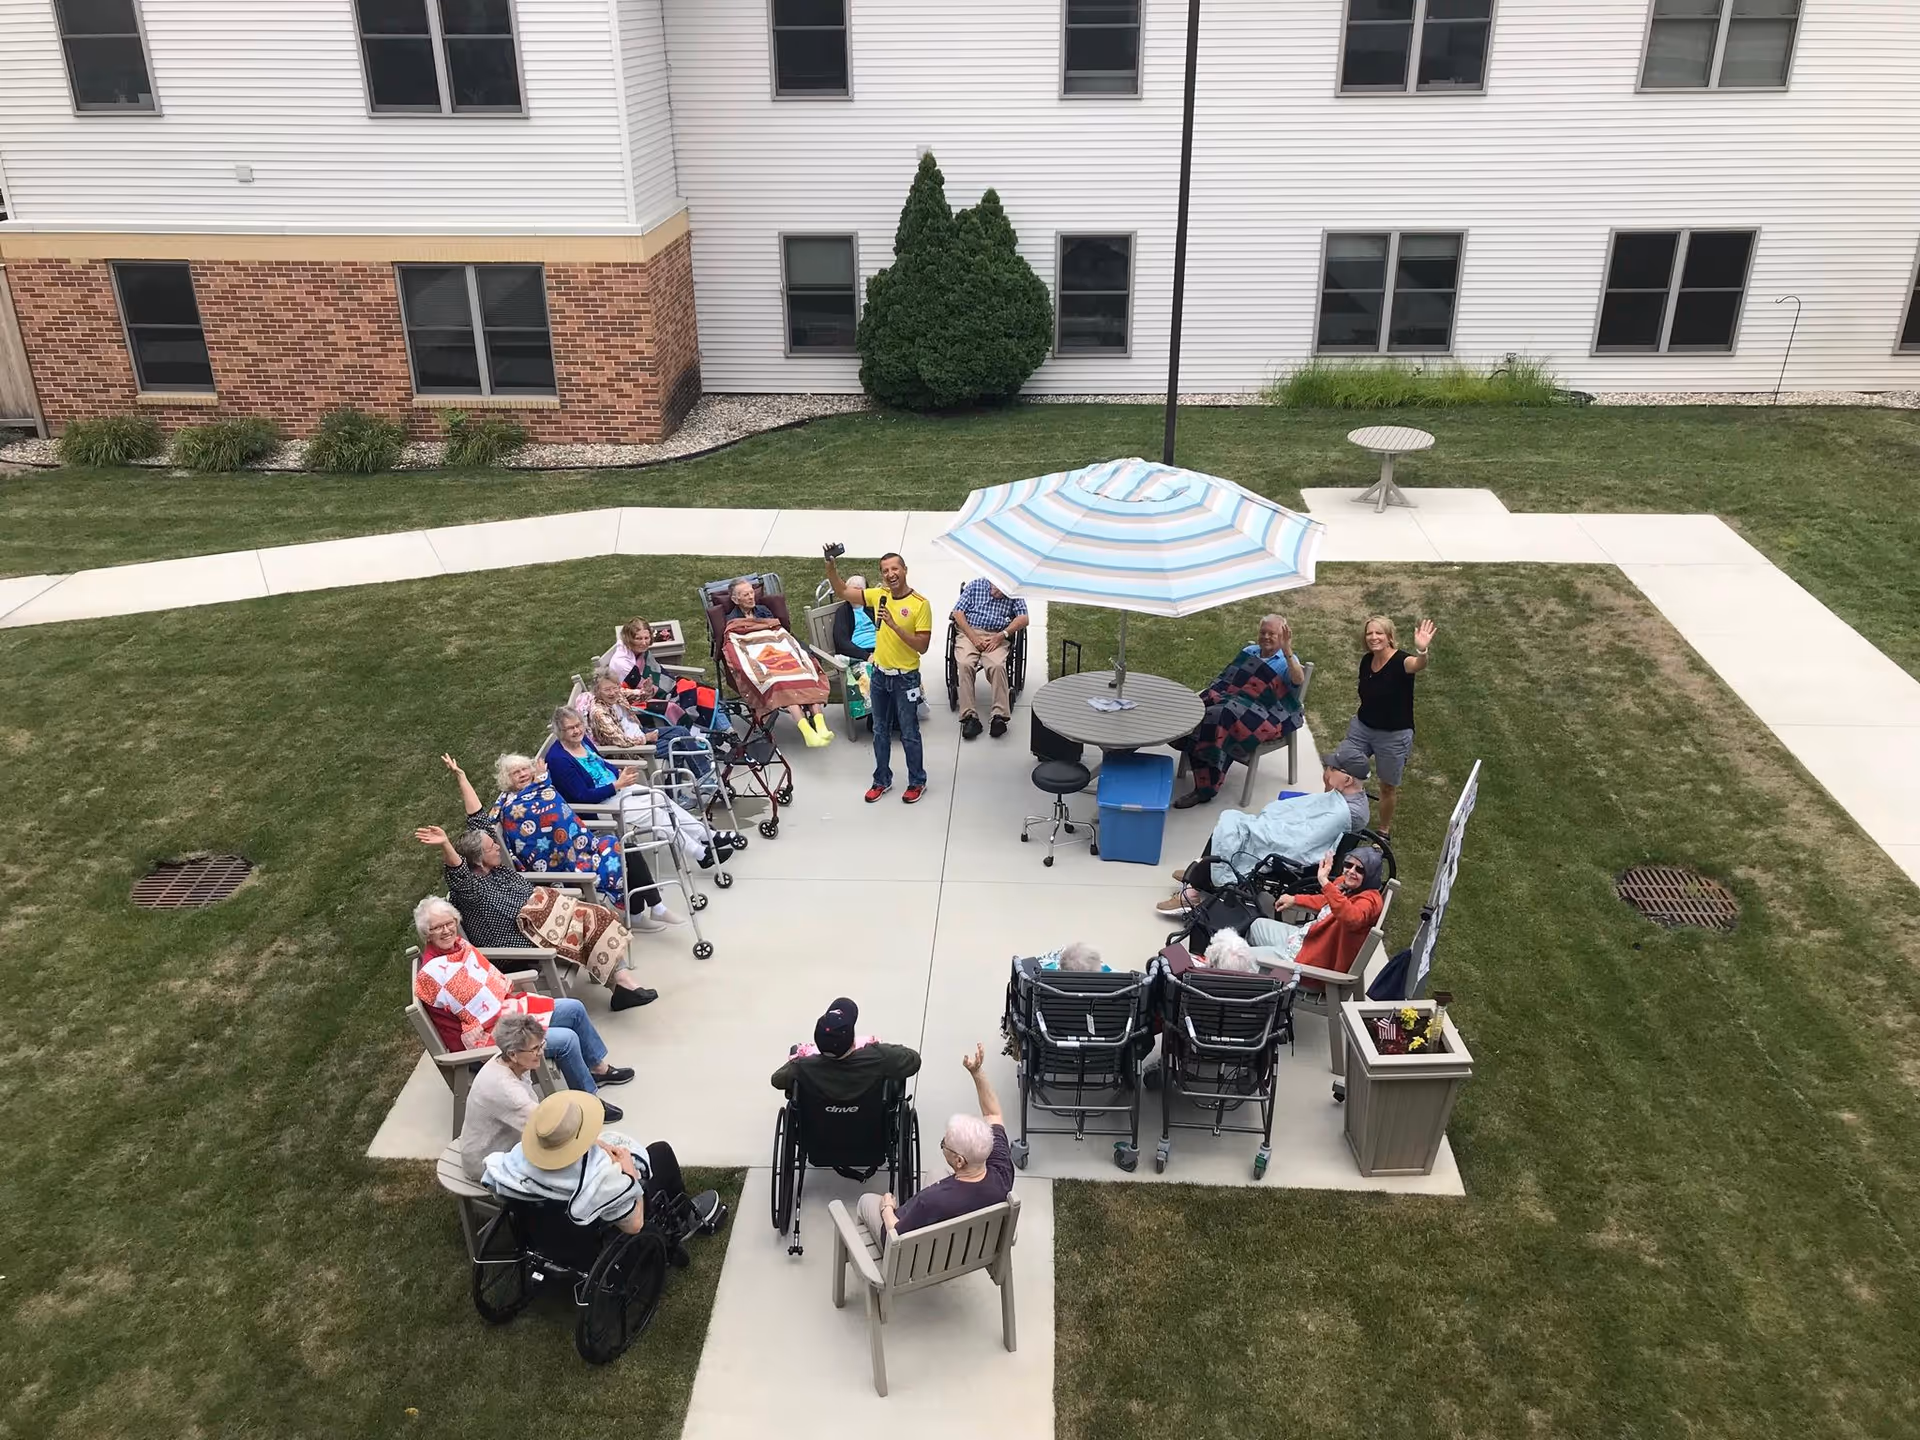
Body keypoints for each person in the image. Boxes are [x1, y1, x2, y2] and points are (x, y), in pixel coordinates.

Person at [411, 898, 636, 1123]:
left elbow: (489, 986)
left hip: (505, 1017)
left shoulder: (460, 947)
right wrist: (517, 1015)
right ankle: (589, 1102)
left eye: (449, 923)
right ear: (426, 933)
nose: (446, 930)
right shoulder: (433, 974)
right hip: (484, 1042)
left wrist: (512, 1007)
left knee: (573, 1008)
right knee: (566, 1040)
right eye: (437, 927)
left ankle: (598, 1070)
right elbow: (479, 1012)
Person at [414, 823, 658, 1006]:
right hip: (518, 943)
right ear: (477, 860)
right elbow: (458, 873)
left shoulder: (496, 871)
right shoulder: (472, 890)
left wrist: (461, 777)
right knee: (588, 920)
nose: (498, 847)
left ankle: (623, 984)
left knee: (592, 915)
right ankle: (623, 986)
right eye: (492, 847)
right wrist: (446, 844)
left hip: (540, 927)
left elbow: (479, 822)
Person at [439, 751, 682, 930]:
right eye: (516, 772)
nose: (523, 774)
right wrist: (461, 777)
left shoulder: (541, 785)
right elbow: (486, 822)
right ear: (507, 779)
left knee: (624, 847)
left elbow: (556, 807)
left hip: (582, 848)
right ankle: (644, 911)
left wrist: (543, 779)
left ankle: (647, 910)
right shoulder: (508, 805)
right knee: (619, 854)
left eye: (525, 769)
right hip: (561, 865)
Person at [482, 1089, 726, 1241]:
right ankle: (684, 1218)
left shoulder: (515, 1162)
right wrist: (630, 1173)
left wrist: (593, 1143)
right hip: (599, 1231)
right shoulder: (600, 1178)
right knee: (660, 1152)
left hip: (548, 1231)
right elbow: (634, 1224)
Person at [1152, 753, 1369, 918]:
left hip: (1296, 855)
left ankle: (1194, 889)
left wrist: (1268, 827)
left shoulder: (1342, 811)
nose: (1327, 772)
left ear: (1347, 779)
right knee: (1234, 823)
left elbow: (1303, 841)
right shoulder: (1350, 799)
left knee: (1232, 826)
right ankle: (1203, 873)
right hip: (1297, 833)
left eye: (1332, 769)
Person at [544, 707, 736, 874]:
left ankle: (707, 836)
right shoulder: (559, 760)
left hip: (617, 789)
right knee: (655, 815)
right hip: (600, 806)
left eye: (578, 725)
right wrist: (617, 785)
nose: (577, 730)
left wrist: (619, 773)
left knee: (661, 799)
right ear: (560, 731)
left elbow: (601, 764)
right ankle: (701, 854)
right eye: (571, 728)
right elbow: (583, 797)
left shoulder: (583, 741)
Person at [858, 1044, 1013, 1240]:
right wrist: (976, 1072)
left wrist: (887, 1207)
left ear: (959, 1161)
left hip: (923, 1259)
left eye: (944, 1144)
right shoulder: (1002, 1172)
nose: (942, 1145)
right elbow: (993, 1114)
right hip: (974, 1245)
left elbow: (894, 1233)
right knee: (935, 1174)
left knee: (867, 1201)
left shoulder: (930, 1202)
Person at [824, 548, 933, 804]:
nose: (890, 574)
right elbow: (842, 591)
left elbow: (922, 646)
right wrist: (831, 566)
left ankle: (917, 781)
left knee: (909, 733)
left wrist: (894, 626)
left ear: (904, 570)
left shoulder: (920, 604)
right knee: (880, 732)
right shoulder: (879, 595)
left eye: (895, 569)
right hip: (880, 677)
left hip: (906, 679)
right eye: (885, 571)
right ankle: (881, 780)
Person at [1172, 614, 1309, 810]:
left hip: (1263, 713)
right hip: (1231, 700)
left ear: (1283, 637)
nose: (1267, 637)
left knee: (1219, 716)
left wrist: (1288, 652)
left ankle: (1205, 788)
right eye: (1263, 632)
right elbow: (1228, 681)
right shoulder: (1249, 651)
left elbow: (1298, 681)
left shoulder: (1287, 660)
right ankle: (1191, 745)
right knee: (1197, 706)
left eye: (1273, 634)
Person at [1344, 615, 1436, 836]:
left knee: (1387, 786)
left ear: (1389, 637)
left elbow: (1417, 664)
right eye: (1369, 633)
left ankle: (1383, 831)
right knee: (1341, 770)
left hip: (1393, 735)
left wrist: (1422, 651)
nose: (1373, 637)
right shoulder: (1367, 660)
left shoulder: (1401, 662)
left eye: (1379, 633)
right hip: (1363, 727)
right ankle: (1339, 817)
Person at [721, 578, 833, 746]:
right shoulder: (732, 621)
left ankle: (820, 725)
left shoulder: (764, 611)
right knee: (779, 682)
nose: (751, 597)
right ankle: (807, 731)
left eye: (752, 592)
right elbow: (736, 646)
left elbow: (779, 633)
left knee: (806, 674)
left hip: (780, 654)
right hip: (761, 661)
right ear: (735, 599)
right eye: (746, 595)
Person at [1246, 848, 1387, 981]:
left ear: (1370, 875)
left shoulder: (1370, 901)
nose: (1351, 871)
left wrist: (1325, 882)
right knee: (1256, 926)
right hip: (1307, 940)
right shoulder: (1346, 885)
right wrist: (1295, 899)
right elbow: (1327, 901)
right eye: (1348, 865)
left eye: (1360, 869)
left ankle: (1257, 983)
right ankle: (1257, 976)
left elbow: (1350, 917)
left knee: (1238, 957)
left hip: (1311, 962)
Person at [582, 670, 714, 789]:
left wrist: (646, 690)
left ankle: (704, 776)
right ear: (597, 691)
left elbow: (638, 695)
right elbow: (620, 741)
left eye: (615, 687)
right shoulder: (599, 713)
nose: (612, 692)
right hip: (632, 749)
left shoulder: (617, 694)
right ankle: (677, 793)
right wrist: (646, 738)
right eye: (607, 690)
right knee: (676, 747)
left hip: (640, 732)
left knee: (681, 731)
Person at [771, 997, 922, 1098]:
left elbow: (777, 1080)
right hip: (871, 1135)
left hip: (818, 1138)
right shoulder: (879, 1057)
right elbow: (913, 1060)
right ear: (852, 1040)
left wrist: (802, 1056)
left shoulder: (803, 1066)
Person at [611, 618, 730, 734]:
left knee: (702, 691)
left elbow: (655, 671)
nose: (644, 642)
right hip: (642, 699)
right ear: (629, 639)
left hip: (664, 687)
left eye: (646, 638)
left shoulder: (637, 651)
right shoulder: (622, 663)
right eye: (638, 639)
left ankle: (727, 731)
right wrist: (656, 690)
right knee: (687, 699)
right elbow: (632, 692)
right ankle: (718, 734)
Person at [950, 578, 1029, 741]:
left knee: (997, 665)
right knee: (965, 664)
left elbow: (1024, 618)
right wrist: (973, 637)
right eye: (995, 588)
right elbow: (957, 613)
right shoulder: (975, 585)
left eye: (1002, 591)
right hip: (969, 633)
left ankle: (999, 717)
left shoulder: (1014, 592)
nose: (997, 593)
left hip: (997, 636)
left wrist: (1002, 635)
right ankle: (969, 718)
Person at [830, 575, 877, 663]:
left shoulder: (872, 608)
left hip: (881, 651)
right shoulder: (843, 612)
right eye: (854, 590)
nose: (856, 594)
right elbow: (841, 642)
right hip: (860, 656)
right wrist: (866, 656)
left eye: (860, 590)